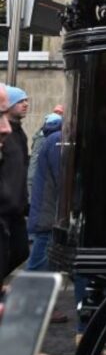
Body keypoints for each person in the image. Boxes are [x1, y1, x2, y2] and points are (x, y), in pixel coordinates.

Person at [26, 114, 68, 323]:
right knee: (40, 264)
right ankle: (30, 308)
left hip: (48, 211)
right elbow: (63, 178)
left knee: (44, 263)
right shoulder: (57, 141)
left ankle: (39, 308)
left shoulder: (54, 139)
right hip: (48, 212)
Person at [0, 86, 30, 279]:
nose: (6, 129)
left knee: (20, 251)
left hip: (15, 209)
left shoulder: (19, 135)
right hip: (7, 208)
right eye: (20, 101)